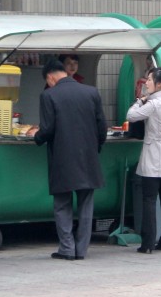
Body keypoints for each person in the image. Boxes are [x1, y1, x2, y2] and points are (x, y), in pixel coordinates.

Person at [29, 58, 107, 260]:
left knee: (62, 204)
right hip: (88, 158)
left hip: (62, 158)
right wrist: (95, 148)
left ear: (50, 77)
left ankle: (67, 248)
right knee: (86, 205)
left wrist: (35, 137)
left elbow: (48, 129)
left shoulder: (49, 95)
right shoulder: (91, 92)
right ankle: (81, 250)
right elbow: (102, 127)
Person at [126, 67, 161, 254]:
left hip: (153, 154)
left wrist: (138, 101)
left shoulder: (153, 104)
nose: (146, 83)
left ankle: (147, 243)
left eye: (149, 80)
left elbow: (131, 116)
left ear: (159, 84)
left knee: (149, 199)